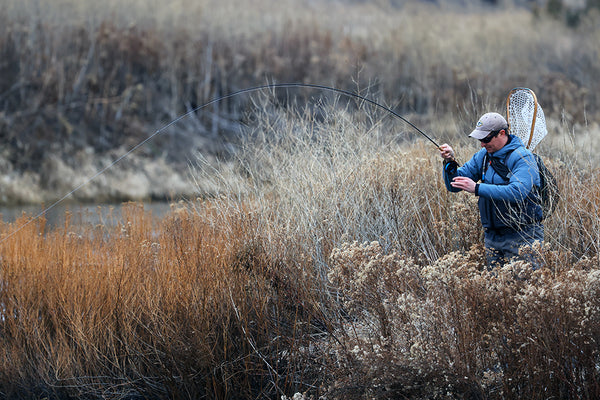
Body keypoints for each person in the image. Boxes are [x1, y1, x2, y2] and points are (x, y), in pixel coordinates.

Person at [439, 112, 543, 269]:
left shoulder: (523, 158)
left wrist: (477, 188)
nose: (482, 144)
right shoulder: (483, 156)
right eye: (480, 139)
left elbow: (518, 192)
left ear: (502, 133)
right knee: (496, 290)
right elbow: (453, 185)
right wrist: (449, 162)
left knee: (525, 289)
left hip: (523, 236)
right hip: (492, 238)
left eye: (486, 139)